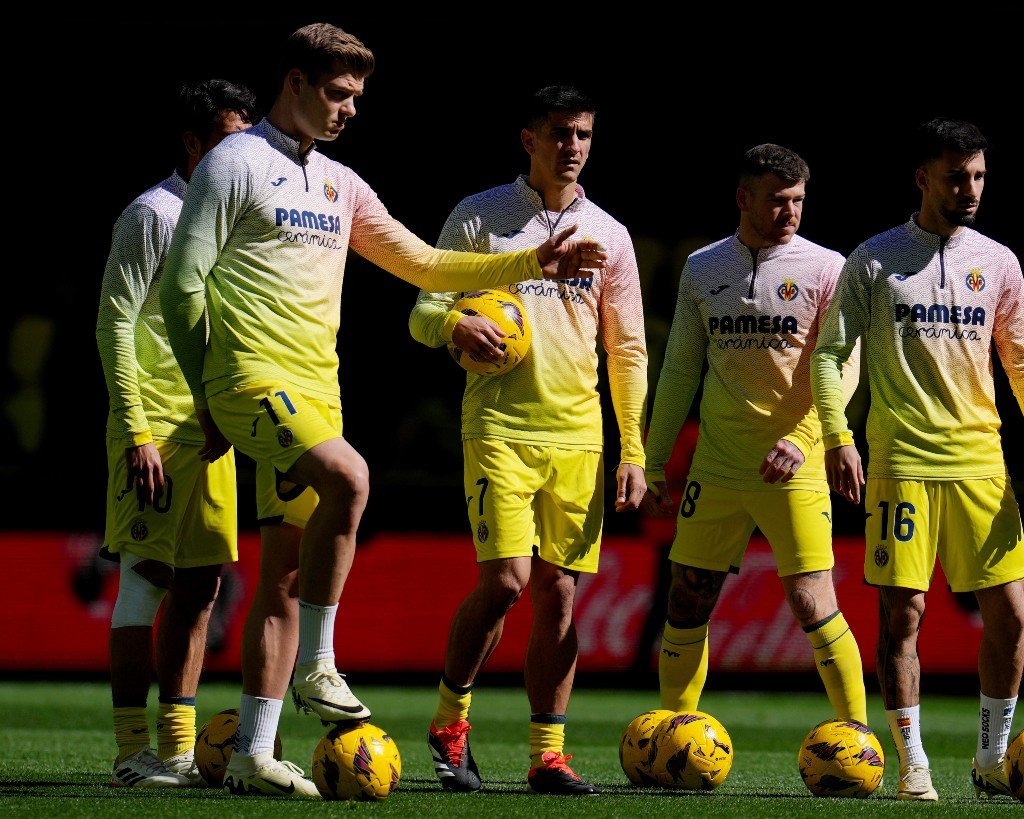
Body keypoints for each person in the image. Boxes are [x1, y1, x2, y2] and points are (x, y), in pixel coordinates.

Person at [159, 25, 606, 800]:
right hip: (249, 375)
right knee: (352, 477)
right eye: (338, 93)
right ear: (294, 81)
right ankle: (320, 665)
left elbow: (423, 263)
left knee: (284, 573)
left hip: (316, 388)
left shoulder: (339, 182)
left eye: (358, 97)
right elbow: (181, 287)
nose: (350, 109)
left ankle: (254, 753)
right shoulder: (235, 162)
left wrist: (532, 260)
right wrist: (207, 396)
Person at [810, 117, 1024, 802]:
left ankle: (989, 757)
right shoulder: (873, 259)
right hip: (903, 465)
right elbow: (831, 355)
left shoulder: (1000, 262)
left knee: (1010, 614)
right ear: (923, 177)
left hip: (982, 464)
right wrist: (838, 436)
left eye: (979, 176)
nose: (971, 189)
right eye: (957, 176)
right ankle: (912, 762)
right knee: (903, 616)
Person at [408, 85, 648, 796]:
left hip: (578, 434)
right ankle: (450, 721)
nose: (572, 145)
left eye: (583, 134)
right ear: (529, 139)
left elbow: (627, 350)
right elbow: (423, 310)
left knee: (561, 597)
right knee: (507, 580)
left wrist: (631, 447)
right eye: (560, 132)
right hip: (500, 429)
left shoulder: (610, 235)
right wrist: (454, 326)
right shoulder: (482, 217)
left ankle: (548, 754)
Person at [643, 144, 869, 742]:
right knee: (686, 600)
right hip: (717, 468)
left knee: (811, 602)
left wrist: (804, 437)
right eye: (777, 200)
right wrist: (654, 456)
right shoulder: (702, 266)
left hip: (793, 466)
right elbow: (680, 370)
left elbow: (844, 365)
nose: (790, 211)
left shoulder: (827, 268)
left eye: (798, 200)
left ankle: (857, 736)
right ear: (743, 198)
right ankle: (674, 734)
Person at [96, 78, 256, 788]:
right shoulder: (152, 214)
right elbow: (114, 326)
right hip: (155, 427)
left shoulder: (232, 221)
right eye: (228, 139)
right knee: (146, 581)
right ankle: (133, 754)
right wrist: (135, 430)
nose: (240, 155)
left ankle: (180, 751)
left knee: (201, 588)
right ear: (193, 143)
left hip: (212, 426)